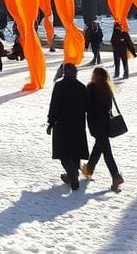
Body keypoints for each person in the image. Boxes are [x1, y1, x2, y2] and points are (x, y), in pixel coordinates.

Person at [47, 63, 89, 191]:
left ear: (65, 72)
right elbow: (87, 106)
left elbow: (55, 105)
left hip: (62, 124)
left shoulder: (60, 86)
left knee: (63, 152)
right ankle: (72, 175)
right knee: (75, 151)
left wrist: (51, 121)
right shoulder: (81, 87)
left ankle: (72, 174)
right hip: (78, 124)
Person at [81, 67, 124, 191]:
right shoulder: (107, 88)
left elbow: (87, 106)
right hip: (105, 122)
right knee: (100, 146)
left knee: (106, 151)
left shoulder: (91, 87)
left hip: (95, 123)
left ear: (96, 75)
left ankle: (116, 176)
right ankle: (89, 169)